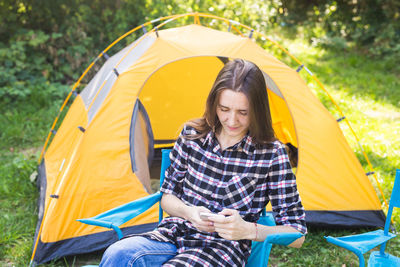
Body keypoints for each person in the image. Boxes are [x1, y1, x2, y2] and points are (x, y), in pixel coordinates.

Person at [100, 59, 307, 267]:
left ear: (258, 110)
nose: (232, 121)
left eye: (243, 112)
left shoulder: (271, 154)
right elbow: (167, 198)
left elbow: (297, 234)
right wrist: (189, 212)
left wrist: (247, 230)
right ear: (214, 103)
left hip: (220, 250)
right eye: (224, 109)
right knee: (118, 255)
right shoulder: (193, 135)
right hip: (173, 233)